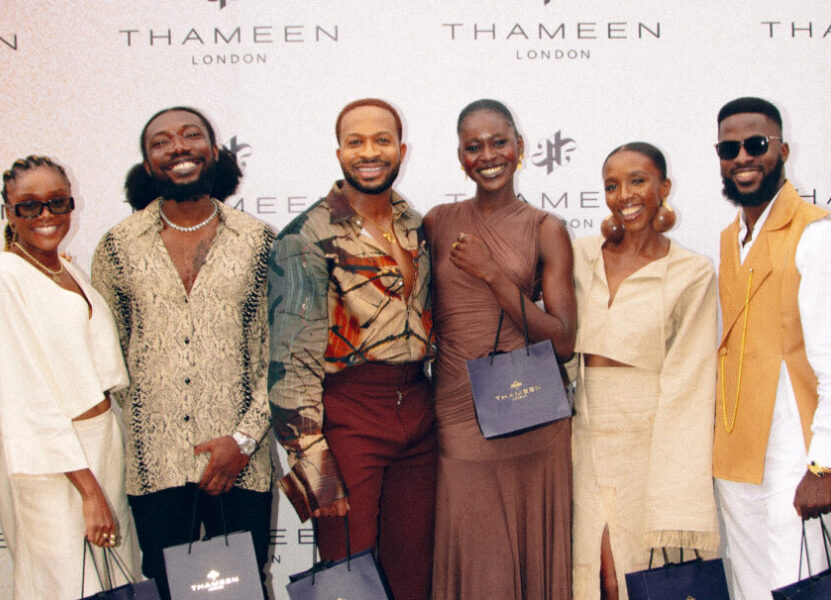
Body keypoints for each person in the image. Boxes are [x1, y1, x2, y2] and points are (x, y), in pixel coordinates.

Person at [91, 107, 275, 598]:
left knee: (243, 591)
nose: (178, 147)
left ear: (212, 151)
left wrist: (243, 440)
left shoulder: (259, 241)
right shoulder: (117, 248)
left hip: (242, 463)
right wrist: (155, 424)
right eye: (161, 142)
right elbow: (111, 355)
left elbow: (278, 355)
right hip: (156, 465)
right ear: (147, 163)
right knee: (165, 589)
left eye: (191, 135)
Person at [268, 98, 437, 600]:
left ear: (402, 150)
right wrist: (312, 463)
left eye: (382, 140)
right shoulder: (306, 235)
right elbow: (291, 362)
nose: (369, 152)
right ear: (339, 152)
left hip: (418, 413)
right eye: (355, 141)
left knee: (413, 572)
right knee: (348, 575)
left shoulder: (415, 223)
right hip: (347, 419)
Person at [711, 97, 831, 600]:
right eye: (729, 149)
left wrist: (822, 464)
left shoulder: (821, 232)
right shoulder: (730, 238)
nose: (743, 158)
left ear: (782, 150)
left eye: (756, 144)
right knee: (751, 590)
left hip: (795, 457)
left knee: (799, 586)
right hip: (737, 456)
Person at [426, 98, 577, 600]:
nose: (488, 156)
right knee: (478, 564)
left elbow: (564, 341)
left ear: (520, 147)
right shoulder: (437, 223)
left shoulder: (546, 228)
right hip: (459, 413)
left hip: (531, 414)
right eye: (474, 147)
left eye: (498, 143)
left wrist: (493, 274)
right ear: (460, 157)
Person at [0, 156, 140, 598]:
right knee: (65, 586)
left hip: (99, 447)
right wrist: (88, 491)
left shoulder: (64, 268)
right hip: (51, 465)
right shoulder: (3, 277)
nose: (45, 214)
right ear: (9, 212)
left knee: (111, 584)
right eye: (29, 205)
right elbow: (26, 396)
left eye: (57, 202)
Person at [571, 142, 720, 600]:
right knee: (588, 576)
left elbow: (691, 380)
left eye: (637, 181)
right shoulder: (580, 256)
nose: (624, 195)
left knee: (633, 578)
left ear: (664, 187)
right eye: (612, 185)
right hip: (582, 441)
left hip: (651, 444)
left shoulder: (692, 272)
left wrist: (675, 482)